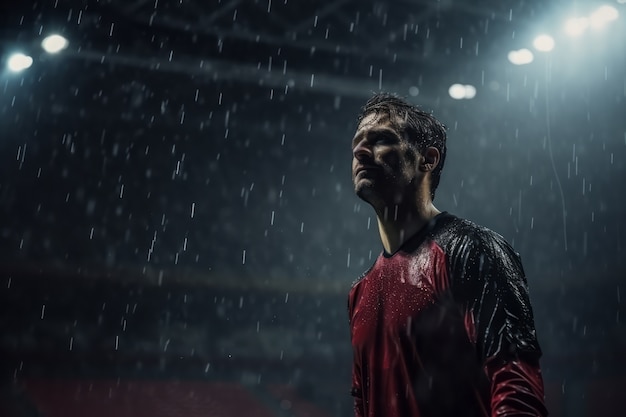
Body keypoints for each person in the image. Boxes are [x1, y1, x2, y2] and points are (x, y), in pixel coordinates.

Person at [347, 92, 547, 417]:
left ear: (428, 159)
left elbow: (515, 381)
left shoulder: (473, 250)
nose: (359, 150)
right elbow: (363, 404)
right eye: (357, 141)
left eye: (382, 139)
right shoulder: (359, 293)